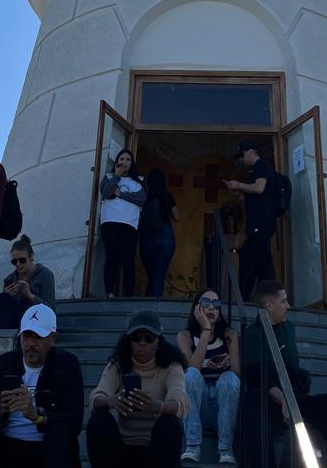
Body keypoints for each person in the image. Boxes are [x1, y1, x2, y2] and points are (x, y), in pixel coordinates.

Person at [242, 282, 327, 468]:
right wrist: (283, 400)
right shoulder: (251, 334)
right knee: (254, 399)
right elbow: (255, 374)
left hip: (293, 397)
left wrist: (288, 397)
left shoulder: (287, 329)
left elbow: (291, 371)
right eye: (283, 301)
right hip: (270, 402)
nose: (288, 306)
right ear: (269, 306)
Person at [87, 310, 188, 468]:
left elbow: (180, 403)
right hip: (123, 446)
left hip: (156, 448)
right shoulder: (118, 365)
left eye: (148, 338)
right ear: (129, 341)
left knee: (170, 423)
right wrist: (112, 401)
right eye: (136, 337)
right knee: (99, 420)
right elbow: (95, 398)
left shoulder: (171, 367)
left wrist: (156, 406)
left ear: (158, 342)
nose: (142, 343)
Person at [0, 304, 84, 467]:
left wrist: (38, 416)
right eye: (27, 336)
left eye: (38, 337)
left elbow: (74, 421)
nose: (31, 343)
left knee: (59, 438)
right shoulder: (4, 363)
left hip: (47, 448)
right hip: (6, 445)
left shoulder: (66, 366)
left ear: (53, 338)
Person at [176, 289, 241, 465]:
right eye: (206, 303)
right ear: (197, 308)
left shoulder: (229, 336)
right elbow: (193, 367)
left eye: (216, 304)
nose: (212, 308)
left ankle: (226, 448)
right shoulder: (185, 336)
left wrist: (224, 364)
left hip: (223, 408)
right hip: (198, 407)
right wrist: (205, 329)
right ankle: (192, 446)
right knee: (190, 375)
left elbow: (236, 373)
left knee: (230, 378)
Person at [224, 141, 276, 301]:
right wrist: (239, 193)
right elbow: (255, 197)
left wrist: (238, 184)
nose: (241, 160)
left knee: (256, 260)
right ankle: (268, 297)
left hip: (261, 224)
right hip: (258, 224)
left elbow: (259, 188)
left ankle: (264, 297)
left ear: (249, 152)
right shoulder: (257, 169)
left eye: (241, 156)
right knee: (261, 260)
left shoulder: (261, 165)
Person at [99, 148, 146, 298]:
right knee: (111, 257)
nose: (124, 162)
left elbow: (141, 199)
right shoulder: (108, 176)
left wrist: (120, 194)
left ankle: (129, 294)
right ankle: (109, 292)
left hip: (130, 224)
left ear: (132, 163)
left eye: (128, 159)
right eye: (121, 159)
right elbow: (106, 192)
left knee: (128, 258)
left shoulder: (139, 180)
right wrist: (116, 177)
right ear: (117, 161)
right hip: (110, 221)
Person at [0, 235, 56, 329]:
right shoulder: (11, 278)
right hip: (17, 320)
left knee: (2, 298)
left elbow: (51, 309)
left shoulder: (45, 274)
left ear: (31, 257)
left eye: (22, 260)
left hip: (36, 317)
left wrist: (30, 295)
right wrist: (9, 294)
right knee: (5, 316)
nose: (18, 264)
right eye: (14, 262)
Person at [139, 169, 179, 298]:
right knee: (159, 275)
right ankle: (155, 307)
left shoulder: (144, 195)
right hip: (166, 235)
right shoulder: (168, 195)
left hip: (147, 237)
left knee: (152, 275)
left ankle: (148, 302)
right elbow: (177, 217)